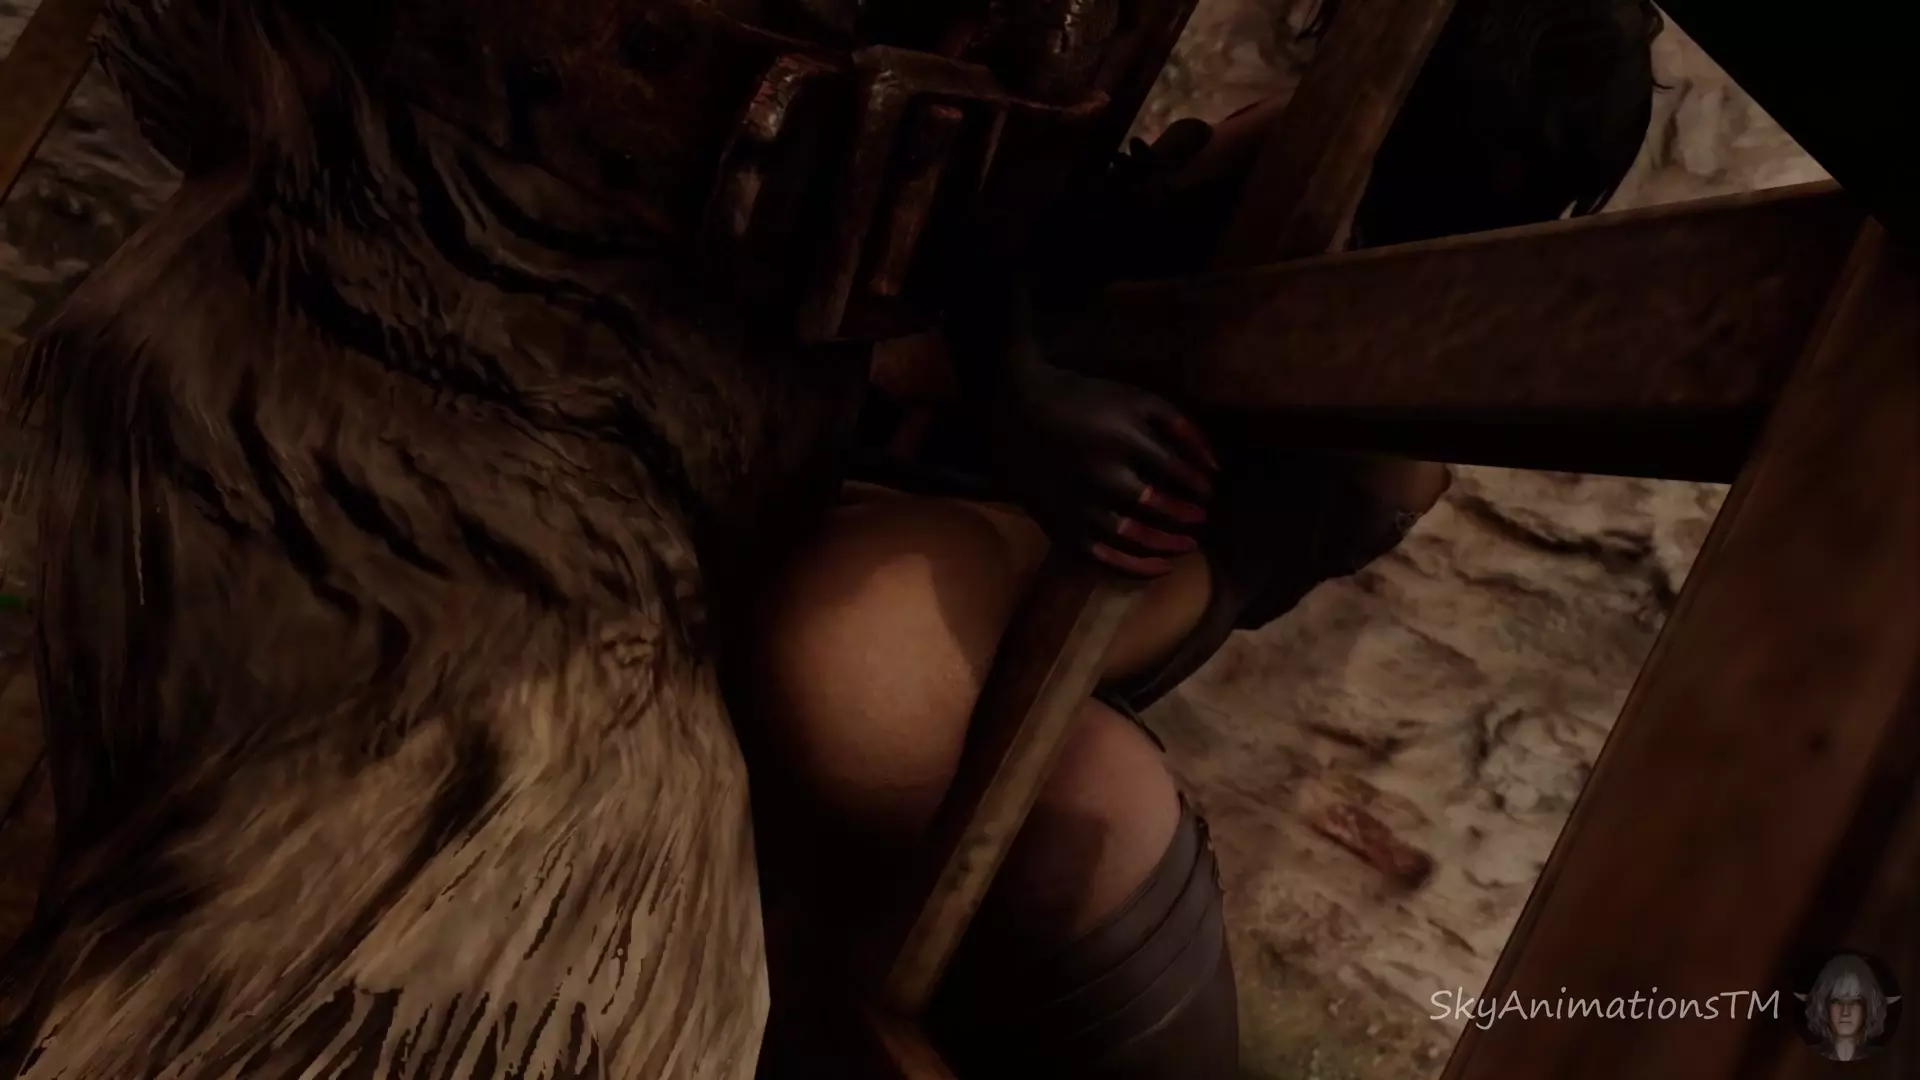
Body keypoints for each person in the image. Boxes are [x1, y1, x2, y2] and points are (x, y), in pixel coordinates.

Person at [743, 1, 1664, 1077]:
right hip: (979, 523)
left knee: (922, 712)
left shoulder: (1450, 328)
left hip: (1131, 582)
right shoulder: (1289, 154)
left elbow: (1312, 515)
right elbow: (1036, 244)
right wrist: (1022, 387)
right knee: (875, 687)